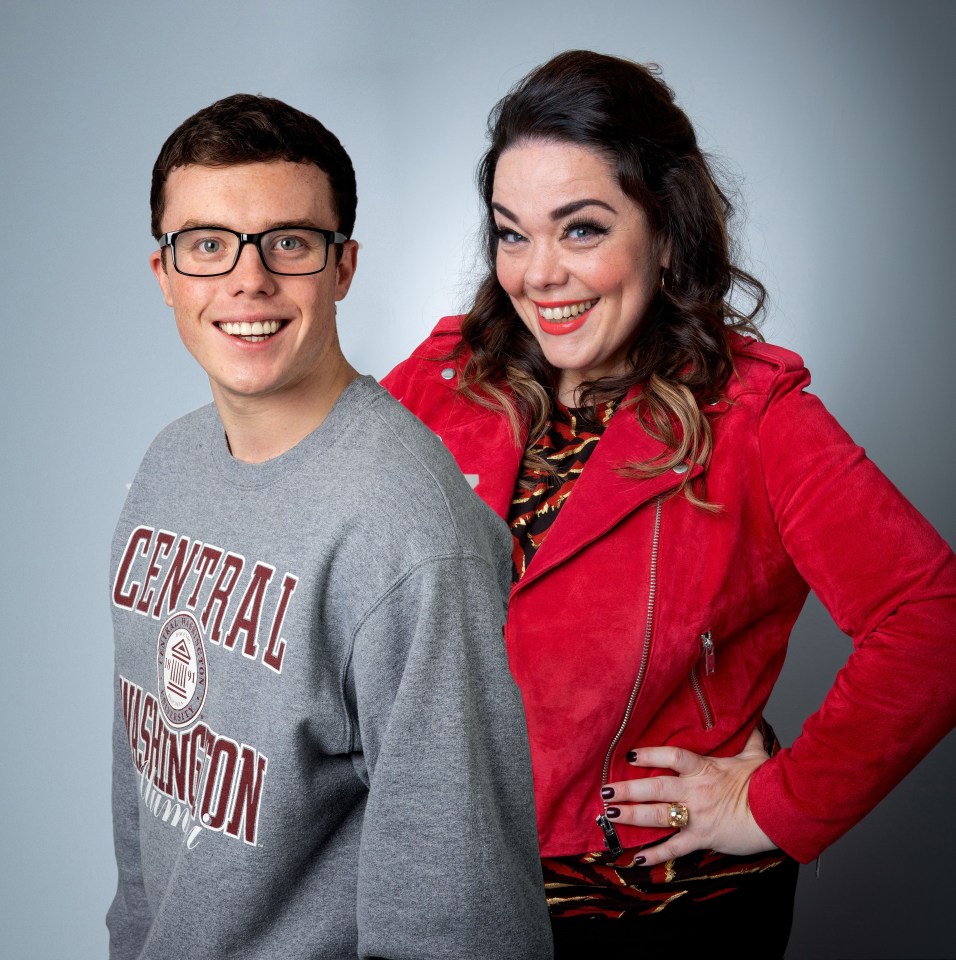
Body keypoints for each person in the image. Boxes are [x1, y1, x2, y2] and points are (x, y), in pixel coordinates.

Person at [383, 50, 956, 957]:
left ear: (665, 228)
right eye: (512, 232)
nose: (537, 275)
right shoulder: (443, 378)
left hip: (662, 917)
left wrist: (779, 803)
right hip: (453, 900)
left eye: (581, 230)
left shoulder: (758, 416)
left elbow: (933, 617)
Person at [106, 93, 553, 960]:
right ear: (163, 275)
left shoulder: (410, 534)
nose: (248, 281)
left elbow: (458, 914)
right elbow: (145, 780)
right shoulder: (168, 469)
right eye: (206, 245)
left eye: (289, 242)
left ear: (343, 266)